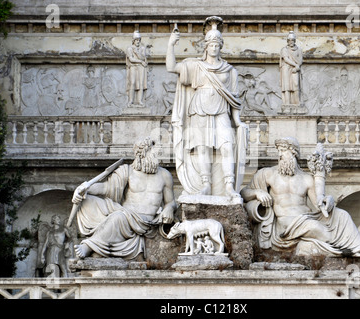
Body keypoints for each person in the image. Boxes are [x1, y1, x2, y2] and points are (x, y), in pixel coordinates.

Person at [241, 137, 360, 257]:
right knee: (318, 229)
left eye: (283, 151)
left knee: (342, 215)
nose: (279, 155)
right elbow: (243, 193)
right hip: (285, 225)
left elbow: (319, 203)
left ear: (293, 152)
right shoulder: (267, 174)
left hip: (305, 219)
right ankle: (351, 248)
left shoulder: (307, 179)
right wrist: (257, 193)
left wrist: (328, 200)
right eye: (278, 151)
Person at [166, 16, 248, 198]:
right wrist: (171, 45)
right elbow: (171, 67)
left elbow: (234, 100)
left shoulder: (230, 70)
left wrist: (237, 121)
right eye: (211, 44)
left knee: (227, 145)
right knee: (202, 147)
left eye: (217, 45)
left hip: (221, 110)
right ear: (206, 46)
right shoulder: (196, 66)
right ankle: (205, 184)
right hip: (199, 109)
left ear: (221, 47)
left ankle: (228, 185)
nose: (214, 47)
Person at [72, 137, 176, 259]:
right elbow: (106, 188)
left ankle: (88, 246)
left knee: (118, 217)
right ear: (142, 153)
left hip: (146, 222)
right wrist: (85, 189)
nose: (158, 155)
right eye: (154, 152)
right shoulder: (127, 171)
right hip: (126, 213)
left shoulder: (164, 175)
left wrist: (169, 208)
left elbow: (171, 202)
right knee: (87, 200)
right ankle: (98, 245)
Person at [279, 31, 302, 105]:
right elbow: (286, 59)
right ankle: (287, 103)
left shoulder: (299, 49)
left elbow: (300, 59)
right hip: (286, 69)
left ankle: (297, 102)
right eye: (289, 40)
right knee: (287, 86)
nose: (291, 42)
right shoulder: (284, 49)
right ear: (287, 41)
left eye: (292, 40)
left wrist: (297, 66)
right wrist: (295, 65)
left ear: (294, 41)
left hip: (295, 69)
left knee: (296, 85)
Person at [126, 31, 148, 105]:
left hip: (141, 68)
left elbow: (143, 57)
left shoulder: (142, 48)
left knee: (141, 84)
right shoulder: (129, 49)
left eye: (139, 40)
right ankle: (130, 100)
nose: (138, 41)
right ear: (133, 40)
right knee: (132, 82)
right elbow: (131, 59)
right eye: (136, 40)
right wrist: (140, 62)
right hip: (133, 67)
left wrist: (137, 53)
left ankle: (139, 101)